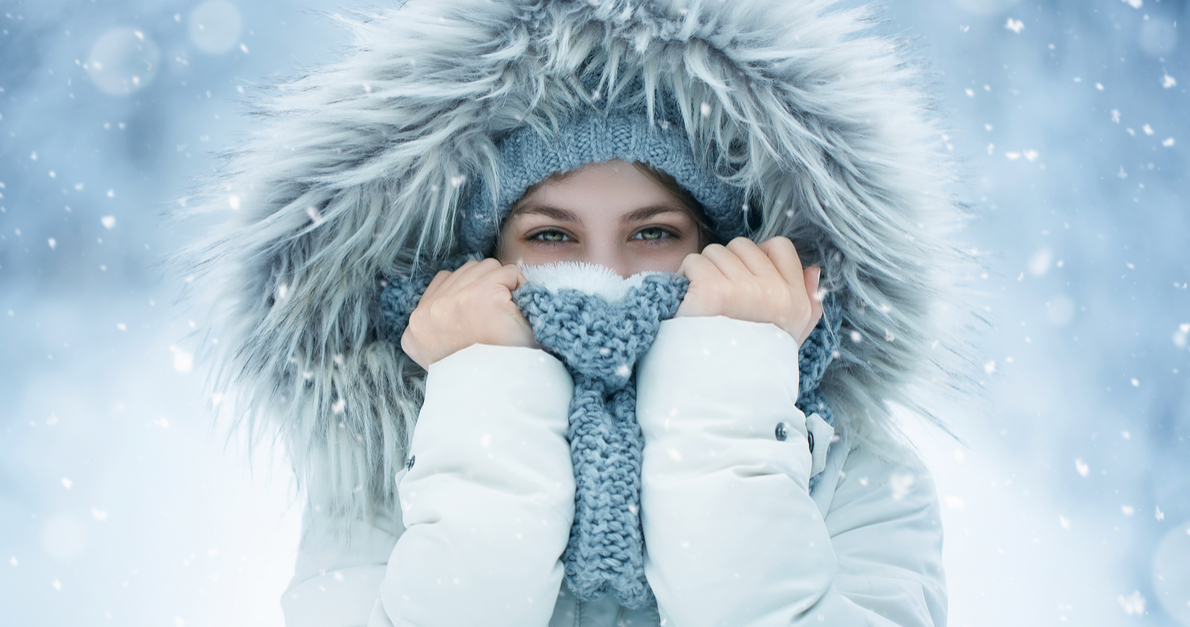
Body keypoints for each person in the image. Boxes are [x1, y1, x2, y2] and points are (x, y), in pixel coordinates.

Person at [192, 1, 981, 625]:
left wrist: (729, 395)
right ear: (481, 264)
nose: (602, 274)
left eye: (653, 232)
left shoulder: (850, 468)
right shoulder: (384, 468)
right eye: (550, 235)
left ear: (725, 250)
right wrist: (484, 398)